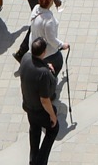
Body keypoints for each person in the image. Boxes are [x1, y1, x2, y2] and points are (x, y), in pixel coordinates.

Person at [21, 35, 61, 165]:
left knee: (35, 130)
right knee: (53, 129)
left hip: (28, 106)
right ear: (44, 52)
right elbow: (45, 100)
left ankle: (33, 160)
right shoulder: (43, 74)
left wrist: (45, 65)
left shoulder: (25, 58)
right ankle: (39, 162)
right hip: (39, 110)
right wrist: (52, 115)